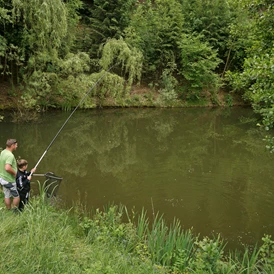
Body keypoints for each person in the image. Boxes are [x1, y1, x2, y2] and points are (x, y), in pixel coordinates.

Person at [0, 139, 20, 210]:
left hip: (3, 179)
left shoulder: (3, 152)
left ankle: (8, 210)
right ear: (12, 145)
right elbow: (7, 168)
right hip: (9, 180)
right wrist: (15, 173)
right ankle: (14, 210)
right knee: (16, 196)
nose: (17, 146)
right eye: (16, 145)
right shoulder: (10, 155)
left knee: (7, 195)